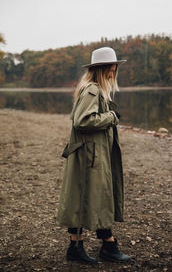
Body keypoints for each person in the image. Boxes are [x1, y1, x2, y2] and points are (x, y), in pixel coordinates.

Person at [56, 47, 131, 264]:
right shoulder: (93, 90)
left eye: (115, 66)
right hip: (91, 156)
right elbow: (82, 121)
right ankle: (103, 245)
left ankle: (87, 246)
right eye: (112, 66)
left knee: (92, 197)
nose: (115, 70)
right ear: (103, 68)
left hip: (92, 153)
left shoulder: (94, 89)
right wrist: (111, 117)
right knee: (94, 196)